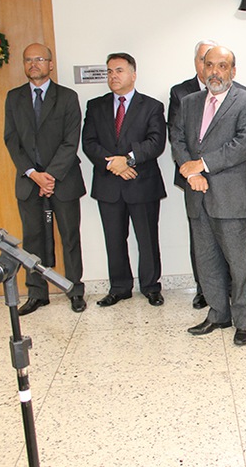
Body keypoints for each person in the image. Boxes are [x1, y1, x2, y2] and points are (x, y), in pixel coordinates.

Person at [172, 46, 246, 347]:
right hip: (197, 195)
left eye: (222, 66)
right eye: (209, 65)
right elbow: (178, 139)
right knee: (206, 261)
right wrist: (192, 174)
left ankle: (244, 322)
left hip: (232, 198)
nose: (215, 71)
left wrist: (202, 165)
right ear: (202, 68)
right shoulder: (189, 102)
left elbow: (243, 145)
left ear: (232, 71)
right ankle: (218, 314)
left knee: (240, 265)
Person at [4, 43, 87, 315]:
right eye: (28, 60)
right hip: (29, 182)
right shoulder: (14, 98)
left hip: (63, 180)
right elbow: (11, 140)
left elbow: (71, 140)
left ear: (50, 64)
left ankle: (75, 290)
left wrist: (49, 176)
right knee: (32, 240)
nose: (33, 64)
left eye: (39, 59)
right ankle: (37, 293)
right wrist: (33, 174)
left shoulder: (67, 97)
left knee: (70, 237)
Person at [82, 53, 167, 308]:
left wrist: (127, 160)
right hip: (108, 184)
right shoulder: (95, 106)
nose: (113, 76)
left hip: (142, 184)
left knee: (147, 240)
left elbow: (156, 142)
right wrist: (114, 165)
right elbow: (89, 143)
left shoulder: (151, 106)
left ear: (133, 74)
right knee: (114, 240)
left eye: (119, 70)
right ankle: (119, 288)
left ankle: (151, 287)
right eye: (109, 71)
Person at [167, 39, 217, 310]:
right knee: (200, 237)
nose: (209, 66)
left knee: (225, 236)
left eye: (214, 60)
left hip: (223, 177)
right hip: (192, 178)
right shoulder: (180, 92)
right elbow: (176, 136)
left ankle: (227, 287)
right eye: (203, 60)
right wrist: (191, 171)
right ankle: (203, 290)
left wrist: (211, 165)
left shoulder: (237, 92)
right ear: (197, 62)